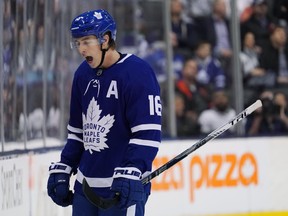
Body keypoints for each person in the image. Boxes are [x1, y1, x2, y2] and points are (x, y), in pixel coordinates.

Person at [46, 9, 162, 216]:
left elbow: (147, 134)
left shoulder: (138, 73)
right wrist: (65, 164)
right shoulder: (82, 74)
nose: (81, 49)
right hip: (85, 186)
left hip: (121, 187)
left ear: (105, 39)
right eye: (78, 42)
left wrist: (132, 169)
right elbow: (77, 132)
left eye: (87, 41)